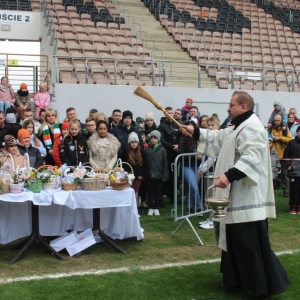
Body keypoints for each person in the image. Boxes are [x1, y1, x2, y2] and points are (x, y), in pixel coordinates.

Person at [181, 91, 290, 298]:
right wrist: (194, 131)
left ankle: (262, 285)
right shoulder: (238, 126)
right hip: (235, 194)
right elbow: (219, 137)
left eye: (231, 105)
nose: (227, 109)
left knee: (246, 242)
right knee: (232, 239)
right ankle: (234, 279)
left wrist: (229, 176)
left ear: (243, 107)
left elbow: (253, 157)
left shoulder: (253, 128)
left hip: (246, 196)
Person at [178, 121, 202, 214]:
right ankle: (199, 207)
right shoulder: (182, 139)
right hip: (186, 166)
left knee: (193, 188)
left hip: (198, 165)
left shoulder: (197, 138)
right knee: (194, 187)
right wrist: (194, 156)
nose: (185, 130)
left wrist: (200, 155)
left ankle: (190, 207)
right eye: (184, 128)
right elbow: (181, 153)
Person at [158, 106, 179, 203]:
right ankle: (161, 197)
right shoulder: (162, 126)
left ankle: (173, 197)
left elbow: (180, 136)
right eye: (168, 113)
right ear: (164, 113)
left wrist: (178, 146)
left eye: (171, 113)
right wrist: (171, 146)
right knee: (165, 176)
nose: (170, 115)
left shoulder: (176, 124)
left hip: (176, 153)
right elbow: (162, 140)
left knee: (174, 176)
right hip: (166, 153)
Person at [144, 130, 168, 216]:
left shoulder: (162, 150)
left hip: (159, 175)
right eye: (152, 138)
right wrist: (145, 174)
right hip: (149, 175)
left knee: (158, 193)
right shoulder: (147, 150)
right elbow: (145, 162)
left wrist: (164, 175)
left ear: (159, 139)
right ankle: (151, 207)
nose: (153, 140)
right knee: (150, 192)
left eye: (155, 138)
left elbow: (165, 163)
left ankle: (156, 207)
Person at [271, 114, 293, 197]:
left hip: (282, 156)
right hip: (272, 156)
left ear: (281, 121)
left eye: (278, 121)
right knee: (272, 175)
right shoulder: (270, 129)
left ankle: (286, 190)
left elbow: (290, 139)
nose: (276, 122)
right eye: (275, 120)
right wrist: (271, 137)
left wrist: (279, 138)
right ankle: (272, 190)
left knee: (284, 175)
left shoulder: (285, 130)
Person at [123, 132, 145, 206]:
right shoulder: (126, 151)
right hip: (129, 176)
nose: (134, 144)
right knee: (129, 191)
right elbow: (125, 165)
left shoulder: (141, 151)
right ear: (129, 143)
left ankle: (136, 206)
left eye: (136, 142)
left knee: (136, 191)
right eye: (132, 142)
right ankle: (129, 205)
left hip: (138, 176)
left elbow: (144, 163)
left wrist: (142, 174)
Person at [283, 125, 300, 214]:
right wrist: (288, 165)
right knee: (294, 189)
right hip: (293, 171)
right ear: (297, 132)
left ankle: (299, 206)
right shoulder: (291, 143)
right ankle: (292, 206)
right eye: (299, 131)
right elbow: (286, 155)